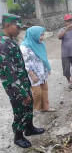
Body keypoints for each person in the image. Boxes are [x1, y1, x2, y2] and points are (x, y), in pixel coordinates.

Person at [0, 14, 44, 148]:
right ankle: (18, 136)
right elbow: (8, 74)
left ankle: (29, 128)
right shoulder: (2, 45)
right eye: (17, 27)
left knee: (28, 107)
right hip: (16, 87)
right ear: (7, 25)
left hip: (23, 83)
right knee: (20, 110)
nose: (20, 30)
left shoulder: (10, 40)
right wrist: (21, 93)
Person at [20, 26, 55, 112]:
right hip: (33, 73)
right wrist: (32, 75)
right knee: (37, 93)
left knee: (45, 89)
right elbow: (26, 63)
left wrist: (47, 68)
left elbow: (44, 58)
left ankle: (45, 107)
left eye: (43, 34)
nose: (42, 37)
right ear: (33, 35)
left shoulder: (41, 44)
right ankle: (35, 109)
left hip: (42, 71)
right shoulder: (25, 47)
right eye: (40, 35)